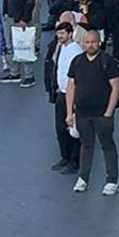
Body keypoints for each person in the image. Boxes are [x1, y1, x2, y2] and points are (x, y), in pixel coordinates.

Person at [66, 30, 119, 196]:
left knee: (107, 145)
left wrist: (109, 112)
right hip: (82, 113)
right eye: (88, 42)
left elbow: (116, 87)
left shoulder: (108, 61)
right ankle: (83, 178)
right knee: (86, 145)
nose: (91, 45)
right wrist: (70, 112)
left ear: (99, 42)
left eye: (94, 42)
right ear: (84, 43)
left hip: (102, 114)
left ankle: (112, 180)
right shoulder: (77, 62)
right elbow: (71, 87)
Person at [48, 23, 83, 175]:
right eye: (58, 33)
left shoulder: (76, 51)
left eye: (63, 33)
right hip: (61, 93)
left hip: (73, 94)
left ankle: (74, 160)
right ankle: (65, 157)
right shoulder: (62, 47)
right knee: (61, 128)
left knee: (73, 128)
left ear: (70, 33)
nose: (60, 36)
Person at [1, 0, 39, 87]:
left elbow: (30, 1)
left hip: (22, 19)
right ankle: (15, 72)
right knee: (14, 46)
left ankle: (29, 76)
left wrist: (24, 19)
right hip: (11, 16)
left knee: (25, 47)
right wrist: (5, 11)